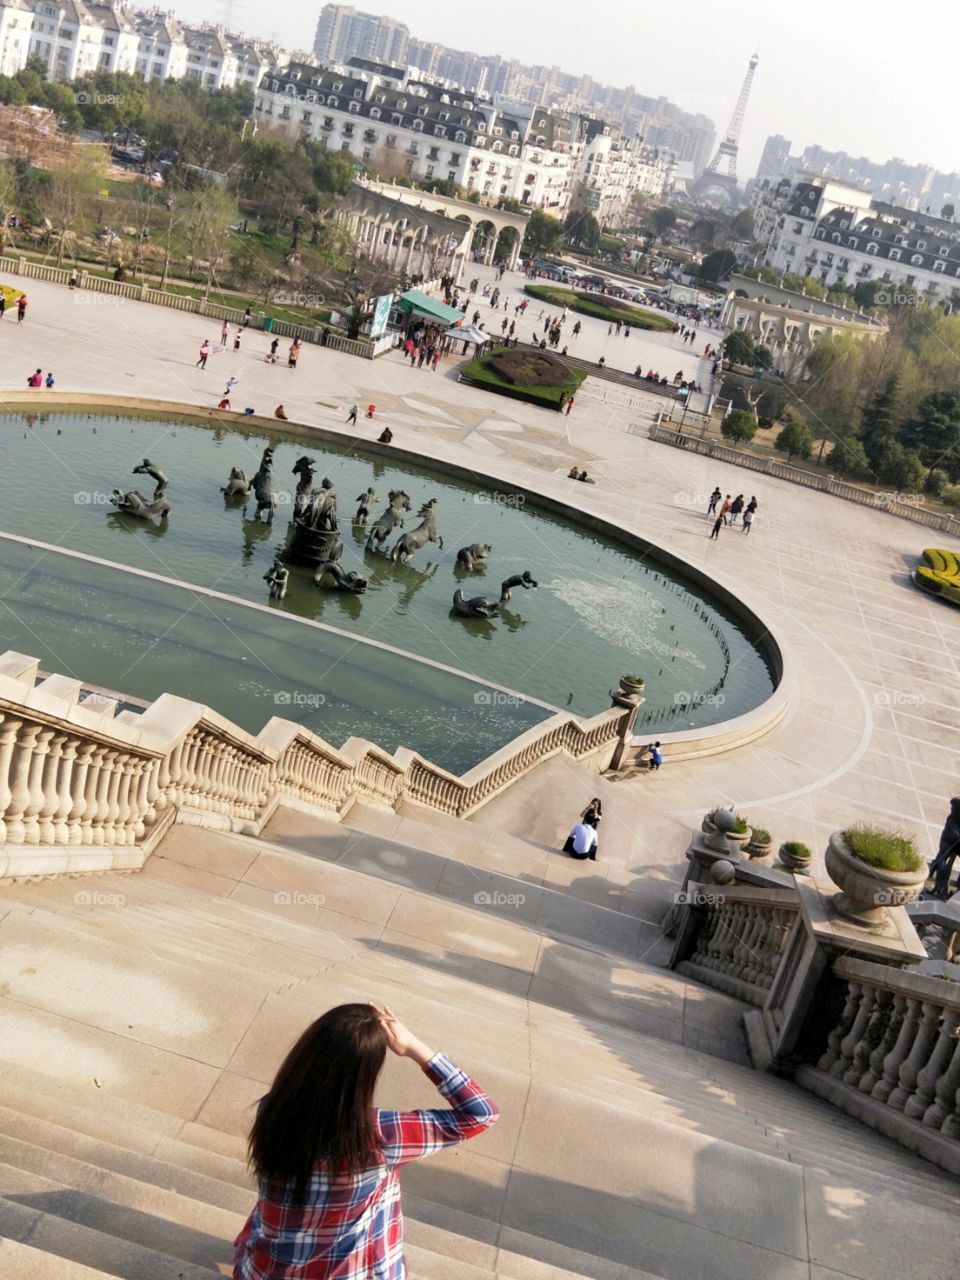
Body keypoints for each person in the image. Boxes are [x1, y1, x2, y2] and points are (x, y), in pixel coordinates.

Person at [234, 1004, 498, 1280]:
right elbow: (482, 1113)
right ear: (366, 1074)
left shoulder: (272, 1109)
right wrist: (415, 1048)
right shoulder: (381, 1136)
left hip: (261, 1273)